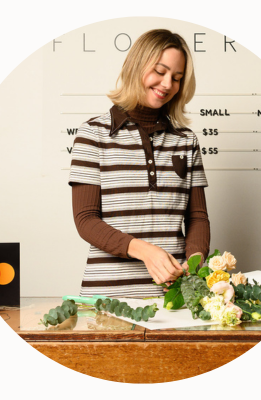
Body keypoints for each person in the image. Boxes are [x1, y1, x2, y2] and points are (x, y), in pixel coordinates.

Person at [68, 29, 210, 298]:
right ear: (136, 66)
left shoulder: (186, 141)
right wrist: (145, 251)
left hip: (175, 296)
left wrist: (194, 268)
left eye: (177, 78)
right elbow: (85, 220)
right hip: (108, 298)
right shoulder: (92, 133)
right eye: (160, 71)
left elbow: (197, 217)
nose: (167, 84)